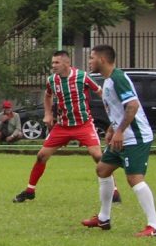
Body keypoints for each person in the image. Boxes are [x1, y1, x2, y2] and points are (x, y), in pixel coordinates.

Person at [14, 51, 120, 204]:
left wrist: (113, 108)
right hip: (63, 126)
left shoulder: (82, 77)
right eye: (52, 63)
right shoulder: (52, 80)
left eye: (56, 63)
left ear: (66, 63)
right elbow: (48, 96)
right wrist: (48, 114)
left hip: (84, 124)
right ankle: (30, 190)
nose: (53, 66)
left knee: (98, 156)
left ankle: (114, 192)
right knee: (41, 155)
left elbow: (100, 92)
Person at [81, 44, 156, 237]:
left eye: (92, 58)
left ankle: (155, 226)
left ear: (102, 59)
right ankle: (103, 218)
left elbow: (132, 106)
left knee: (134, 179)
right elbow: (118, 110)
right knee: (103, 169)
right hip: (121, 136)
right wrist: (112, 129)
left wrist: (119, 131)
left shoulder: (118, 78)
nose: (90, 62)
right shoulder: (108, 81)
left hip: (135, 137)